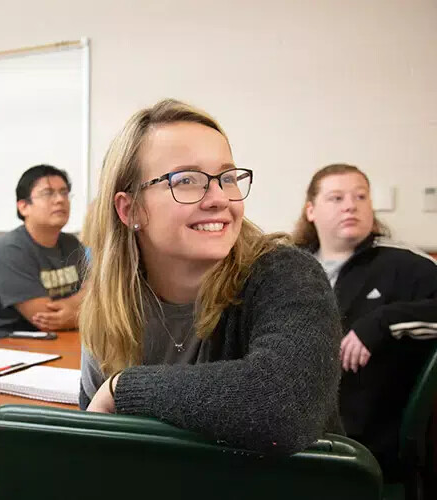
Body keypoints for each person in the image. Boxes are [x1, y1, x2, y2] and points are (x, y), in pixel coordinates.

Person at [79, 99, 343, 455]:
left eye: (228, 178)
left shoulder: (287, 274)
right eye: (187, 180)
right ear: (131, 210)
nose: (219, 198)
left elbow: (285, 404)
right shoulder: (113, 300)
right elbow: (101, 450)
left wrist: (122, 388)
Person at [293, 163, 437, 478]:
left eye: (361, 196)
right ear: (311, 211)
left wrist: (382, 322)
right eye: (336, 198)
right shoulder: (291, 265)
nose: (351, 205)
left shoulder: (397, 262)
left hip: (360, 442)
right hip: (287, 426)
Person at [0, 165, 86, 346]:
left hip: (46, 340)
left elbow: (96, 292)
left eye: (64, 193)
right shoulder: (9, 250)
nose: (60, 200)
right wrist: (84, 309)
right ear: (24, 206)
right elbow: (47, 319)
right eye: (48, 193)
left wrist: (73, 311)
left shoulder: (71, 244)